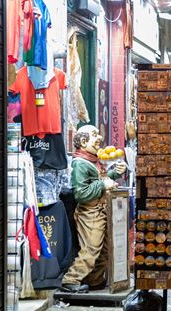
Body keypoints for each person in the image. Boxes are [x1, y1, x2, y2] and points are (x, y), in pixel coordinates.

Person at [61, 125, 126, 293]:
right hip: (89, 213)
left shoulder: (92, 161)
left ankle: (95, 279)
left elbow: (99, 181)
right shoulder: (80, 164)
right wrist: (103, 183)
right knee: (91, 248)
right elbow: (81, 193)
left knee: (104, 249)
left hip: (100, 210)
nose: (99, 138)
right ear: (83, 141)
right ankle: (71, 279)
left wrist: (113, 174)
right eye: (94, 135)